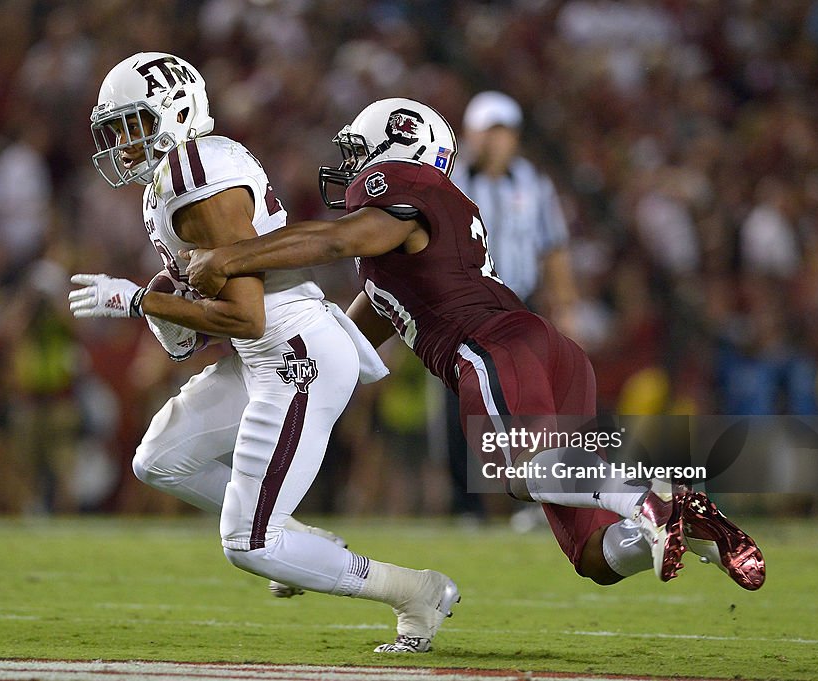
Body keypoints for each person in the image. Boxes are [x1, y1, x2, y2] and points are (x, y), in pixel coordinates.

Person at [183, 97, 766, 591]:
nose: (349, 168)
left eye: (357, 152)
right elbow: (345, 342)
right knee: (597, 558)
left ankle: (650, 495)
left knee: (518, 470)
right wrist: (259, 365)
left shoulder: (408, 190)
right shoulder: (398, 249)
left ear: (396, 147)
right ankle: (696, 531)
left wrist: (232, 257)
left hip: (491, 347)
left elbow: (339, 240)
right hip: (540, 352)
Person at [68, 54, 458, 654]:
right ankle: (294, 537)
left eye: (133, 124)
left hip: (293, 353)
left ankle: (415, 591)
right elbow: (229, 310)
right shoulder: (179, 175)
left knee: (249, 545)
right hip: (264, 349)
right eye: (115, 130)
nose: (123, 144)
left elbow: (245, 314)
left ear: (174, 114)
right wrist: (174, 312)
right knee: (160, 461)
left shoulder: (197, 173)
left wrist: (140, 303)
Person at [445, 91, 579, 525]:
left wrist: (565, 306)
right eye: (488, 131)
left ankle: (539, 500)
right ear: (470, 134)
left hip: (521, 300)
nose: (496, 141)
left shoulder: (534, 184)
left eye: (503, 132)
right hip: (465, 305)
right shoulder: (450, 184)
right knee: (461, 406)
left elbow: (553, 249)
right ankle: (467, 505)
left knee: (532, 402)